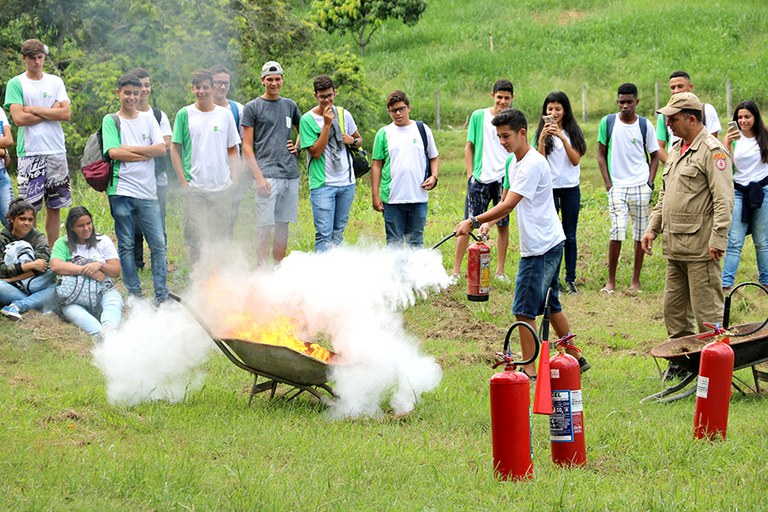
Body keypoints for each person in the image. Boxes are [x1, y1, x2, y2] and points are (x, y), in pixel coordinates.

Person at [455, 108, 588, 376]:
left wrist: (473, 221)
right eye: (499, 137)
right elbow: (505, 202)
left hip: (539, 249)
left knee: (523, 311)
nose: (502, 142)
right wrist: (489, 223)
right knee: (552, 304)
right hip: (550, 242)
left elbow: (509, 204)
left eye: (506, 136)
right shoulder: (516, 162)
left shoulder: (532, 164)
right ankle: (575, 356)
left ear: (522, 133)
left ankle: (529, 370)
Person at [641, 92, 733, 339]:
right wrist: (652, 228)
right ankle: (683, 361)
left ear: (691, 118)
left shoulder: (713, 151)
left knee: (707, 313)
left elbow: (724, 199)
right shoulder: (675, 149)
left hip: (701, 248)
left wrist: (718, 238)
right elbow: (665, 195)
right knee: (674, 312)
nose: (668, 124)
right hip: (675, 247)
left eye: (673, 119)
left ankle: (714, 365)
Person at [102, 73, 169, 304]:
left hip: (148, 192)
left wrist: (128, 150)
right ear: (118, 92)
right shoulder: (111, 120)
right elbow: (113, 153)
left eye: (136, 93)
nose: (131, 97)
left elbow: (161, 149)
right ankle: (135, 295)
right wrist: (143, 151)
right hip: (121, 191)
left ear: (142, 93)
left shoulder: (149, 119)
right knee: (127, 244)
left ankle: (162, 294)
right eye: (127, 92)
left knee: (158, 244)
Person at [4, 39, 72, 246]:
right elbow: (18, 119)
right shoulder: (16, 83)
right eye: (32, 58)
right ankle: (31, 251)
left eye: (40, 57)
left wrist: (32, 109)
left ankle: (52, 251)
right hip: (30, 152)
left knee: (55, 205)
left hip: (56, 150)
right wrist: (51, 111)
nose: (37, 62)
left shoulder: (55, 82)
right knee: (29, 209)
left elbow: (66, 113)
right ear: (24, 58)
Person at [170, 69, 241, 264]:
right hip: (196, 188)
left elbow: (233, 149)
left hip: (222, 187)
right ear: (192, 89)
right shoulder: (185, 114)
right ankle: (197, 281)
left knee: (221, 238)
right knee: (196, 240)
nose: (202, 91)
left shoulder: (224, 115)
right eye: (198, 87)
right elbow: (175, 149)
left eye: (206, 87)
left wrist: (234, 179)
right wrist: (183, 181)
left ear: (213, 88)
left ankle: (219, 279)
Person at [597, 83, 660, 293]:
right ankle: (611, 280)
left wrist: (650, 183)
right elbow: (600, 155)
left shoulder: (645, 125)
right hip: (617, 186)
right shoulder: (608, 122)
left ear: (637, 102)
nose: (625, 106)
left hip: (641, 185)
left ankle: (635, 280)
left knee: (640, 233)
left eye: (629, 102)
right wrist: (608, 184)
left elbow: (655, 155)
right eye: (622, 102)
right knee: (617, 230)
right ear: (617, 101)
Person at [451, 79, 513, 281]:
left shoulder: (513, 119)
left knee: (503, 223)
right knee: (468, 222)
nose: (502, 101)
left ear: (512, 99)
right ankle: (455, 271)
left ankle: (500, 271)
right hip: (480, 176)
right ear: (492, 96)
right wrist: (471, 174)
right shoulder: (479, 116)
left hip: (503, 177)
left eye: (506, 98)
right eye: (499, 97)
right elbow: (469, 145)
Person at [241, 61, 302, 265]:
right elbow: (247, 147)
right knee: (264, 226)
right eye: (270, 79)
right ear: (263, 81)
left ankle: (278, 270)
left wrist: (298, 146)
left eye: (277, 79)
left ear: (283, 79)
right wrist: (258, 178)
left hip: (289, 174)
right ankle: (261, 270)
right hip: (266, 175)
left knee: (283, 225)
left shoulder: (290, 105)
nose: (274, 83)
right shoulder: (253, 108)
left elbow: (304, 128)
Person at [299, 75, 362, 252]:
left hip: (347, 183)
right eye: (322, 97)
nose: (326, 100)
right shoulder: (307, 120)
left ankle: (335, 272)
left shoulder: (343, 114)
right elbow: (316, 152)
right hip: (323, 185)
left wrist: (352, 141)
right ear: (315, 96)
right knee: (324, 234)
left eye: (329, 95)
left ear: (335, 93)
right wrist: (326, 125)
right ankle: (322, 276)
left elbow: (358, 140)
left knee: (338, 233)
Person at [533, 91, 587, 294]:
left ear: (565, 111)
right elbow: (539, 163)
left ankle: (570, 279)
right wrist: (542, 140)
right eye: (549, 109)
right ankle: (552, 279)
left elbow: (575, 160)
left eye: (557, 109)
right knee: (553, 236)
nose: (553, 113)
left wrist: (562, 138)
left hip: (570, 188)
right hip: (550, 190)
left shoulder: (573, 132)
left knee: (570, 235)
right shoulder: (541, 132)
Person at [371, 90, 439, 247]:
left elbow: (434, 156)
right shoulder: (384, 133)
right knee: (394, 242)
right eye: (393, 111)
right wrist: (375, 195)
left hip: (418, 197)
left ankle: (414, 272)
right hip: (393, 198)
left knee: (416, 241)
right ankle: (396, 272)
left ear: (408, 107)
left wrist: (434, 176)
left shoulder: (423, 129)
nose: (398, 113)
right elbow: (376, 165)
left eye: (401, 109)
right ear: (389, 112)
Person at [50, 206, 123, 336]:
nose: (86, 228)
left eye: (89, 223)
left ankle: (110, 329)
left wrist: (99, 265)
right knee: (74, 313)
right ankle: (102, 336)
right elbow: (56, 266)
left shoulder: (103, 241)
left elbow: (116, 271)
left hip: (103, 290)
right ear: (71, 227)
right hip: (73, 298)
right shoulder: (63, 243)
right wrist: (87, 269)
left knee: (114, 302)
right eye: (80, 226)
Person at [128, 67, 173, 271]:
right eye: (139, 86)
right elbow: (117, 148)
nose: (143, 89)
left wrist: (133, 151)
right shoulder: (124, 116)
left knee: (158, 221)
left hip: (157, 178)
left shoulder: (158, 115)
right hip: (131, 178)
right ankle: (136, 263)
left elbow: (165, 146)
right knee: (133, 224)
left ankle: (160, 261)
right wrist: (150, 149)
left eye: (147, 85)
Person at [721, 100, 768, 290]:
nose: (743, 120)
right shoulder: (734, 138)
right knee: (734, 240)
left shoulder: (764, 137)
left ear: (755, 117)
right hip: (739, 190)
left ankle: (765, 281)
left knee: (762, 240)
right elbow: (725, 164)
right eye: (739, 117)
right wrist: (727, 143)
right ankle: (726, 283)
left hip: (763, 190)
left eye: (747, 116)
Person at [0, 198, 56, 320]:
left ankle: (19, 305)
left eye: (30, 220)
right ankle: (38, 302)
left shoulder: (39, 237)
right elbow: (1, 270)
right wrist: (29, 266)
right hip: (12, 287)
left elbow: (42, 267)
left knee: (59, 287)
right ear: (11, 219)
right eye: (22, 219)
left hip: (37, 283)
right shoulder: (2, 238)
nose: (27, 223)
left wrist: (11, 278)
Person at [210, 64, 248, 236]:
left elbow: (245, 143)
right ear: (210, 83)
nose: (223, 87)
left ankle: (225, 256)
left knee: (229, 220)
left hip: (231, 174)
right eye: (218, 83)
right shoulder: (198, 110)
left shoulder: (238, 110)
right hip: (206, 174)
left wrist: (239, 174)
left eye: (226, 83)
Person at [656, 71, 722, 164]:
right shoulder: (664, 115)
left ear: (690, 87)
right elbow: (659, 146)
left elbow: (712, 141)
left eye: (680, 86)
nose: (676, 90)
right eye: (672, 87)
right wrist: (672, 165)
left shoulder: (706, 110)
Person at [0, 107, 14, 225]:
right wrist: (3, 152)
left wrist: (4, 152)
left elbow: (9, 140)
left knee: (11, 221)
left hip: (1, 174)